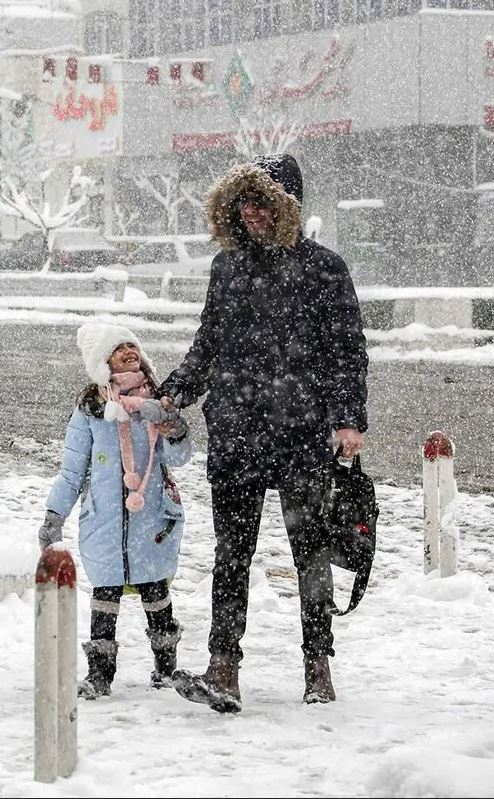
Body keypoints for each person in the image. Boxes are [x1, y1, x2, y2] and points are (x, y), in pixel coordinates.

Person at [158, 153, 369, 713]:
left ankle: (318, 666)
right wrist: (175, 390)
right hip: (237, 431)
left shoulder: (324, 268)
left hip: (302, 432)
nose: (250, 213)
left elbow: (347, 352)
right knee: (231, 555)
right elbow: (208, 342)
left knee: (310, 554)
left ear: (286, 207)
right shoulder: (227, 267)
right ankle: (223, 666)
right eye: (242, 203)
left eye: (261, 202)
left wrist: (348, 418)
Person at [39, 322, 193, 699]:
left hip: (152, 517)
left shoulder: (157, 402)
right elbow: (73, 471)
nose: (129, 351)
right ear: (102, 362)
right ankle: (100, 674)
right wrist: (54, 515)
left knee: (155, 590)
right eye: (118, 348)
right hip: (104, 520)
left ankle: (165, 668)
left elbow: (178, 457)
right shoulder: (91, 410)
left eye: (131, 345)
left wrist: (174, 429)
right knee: (105, 595)